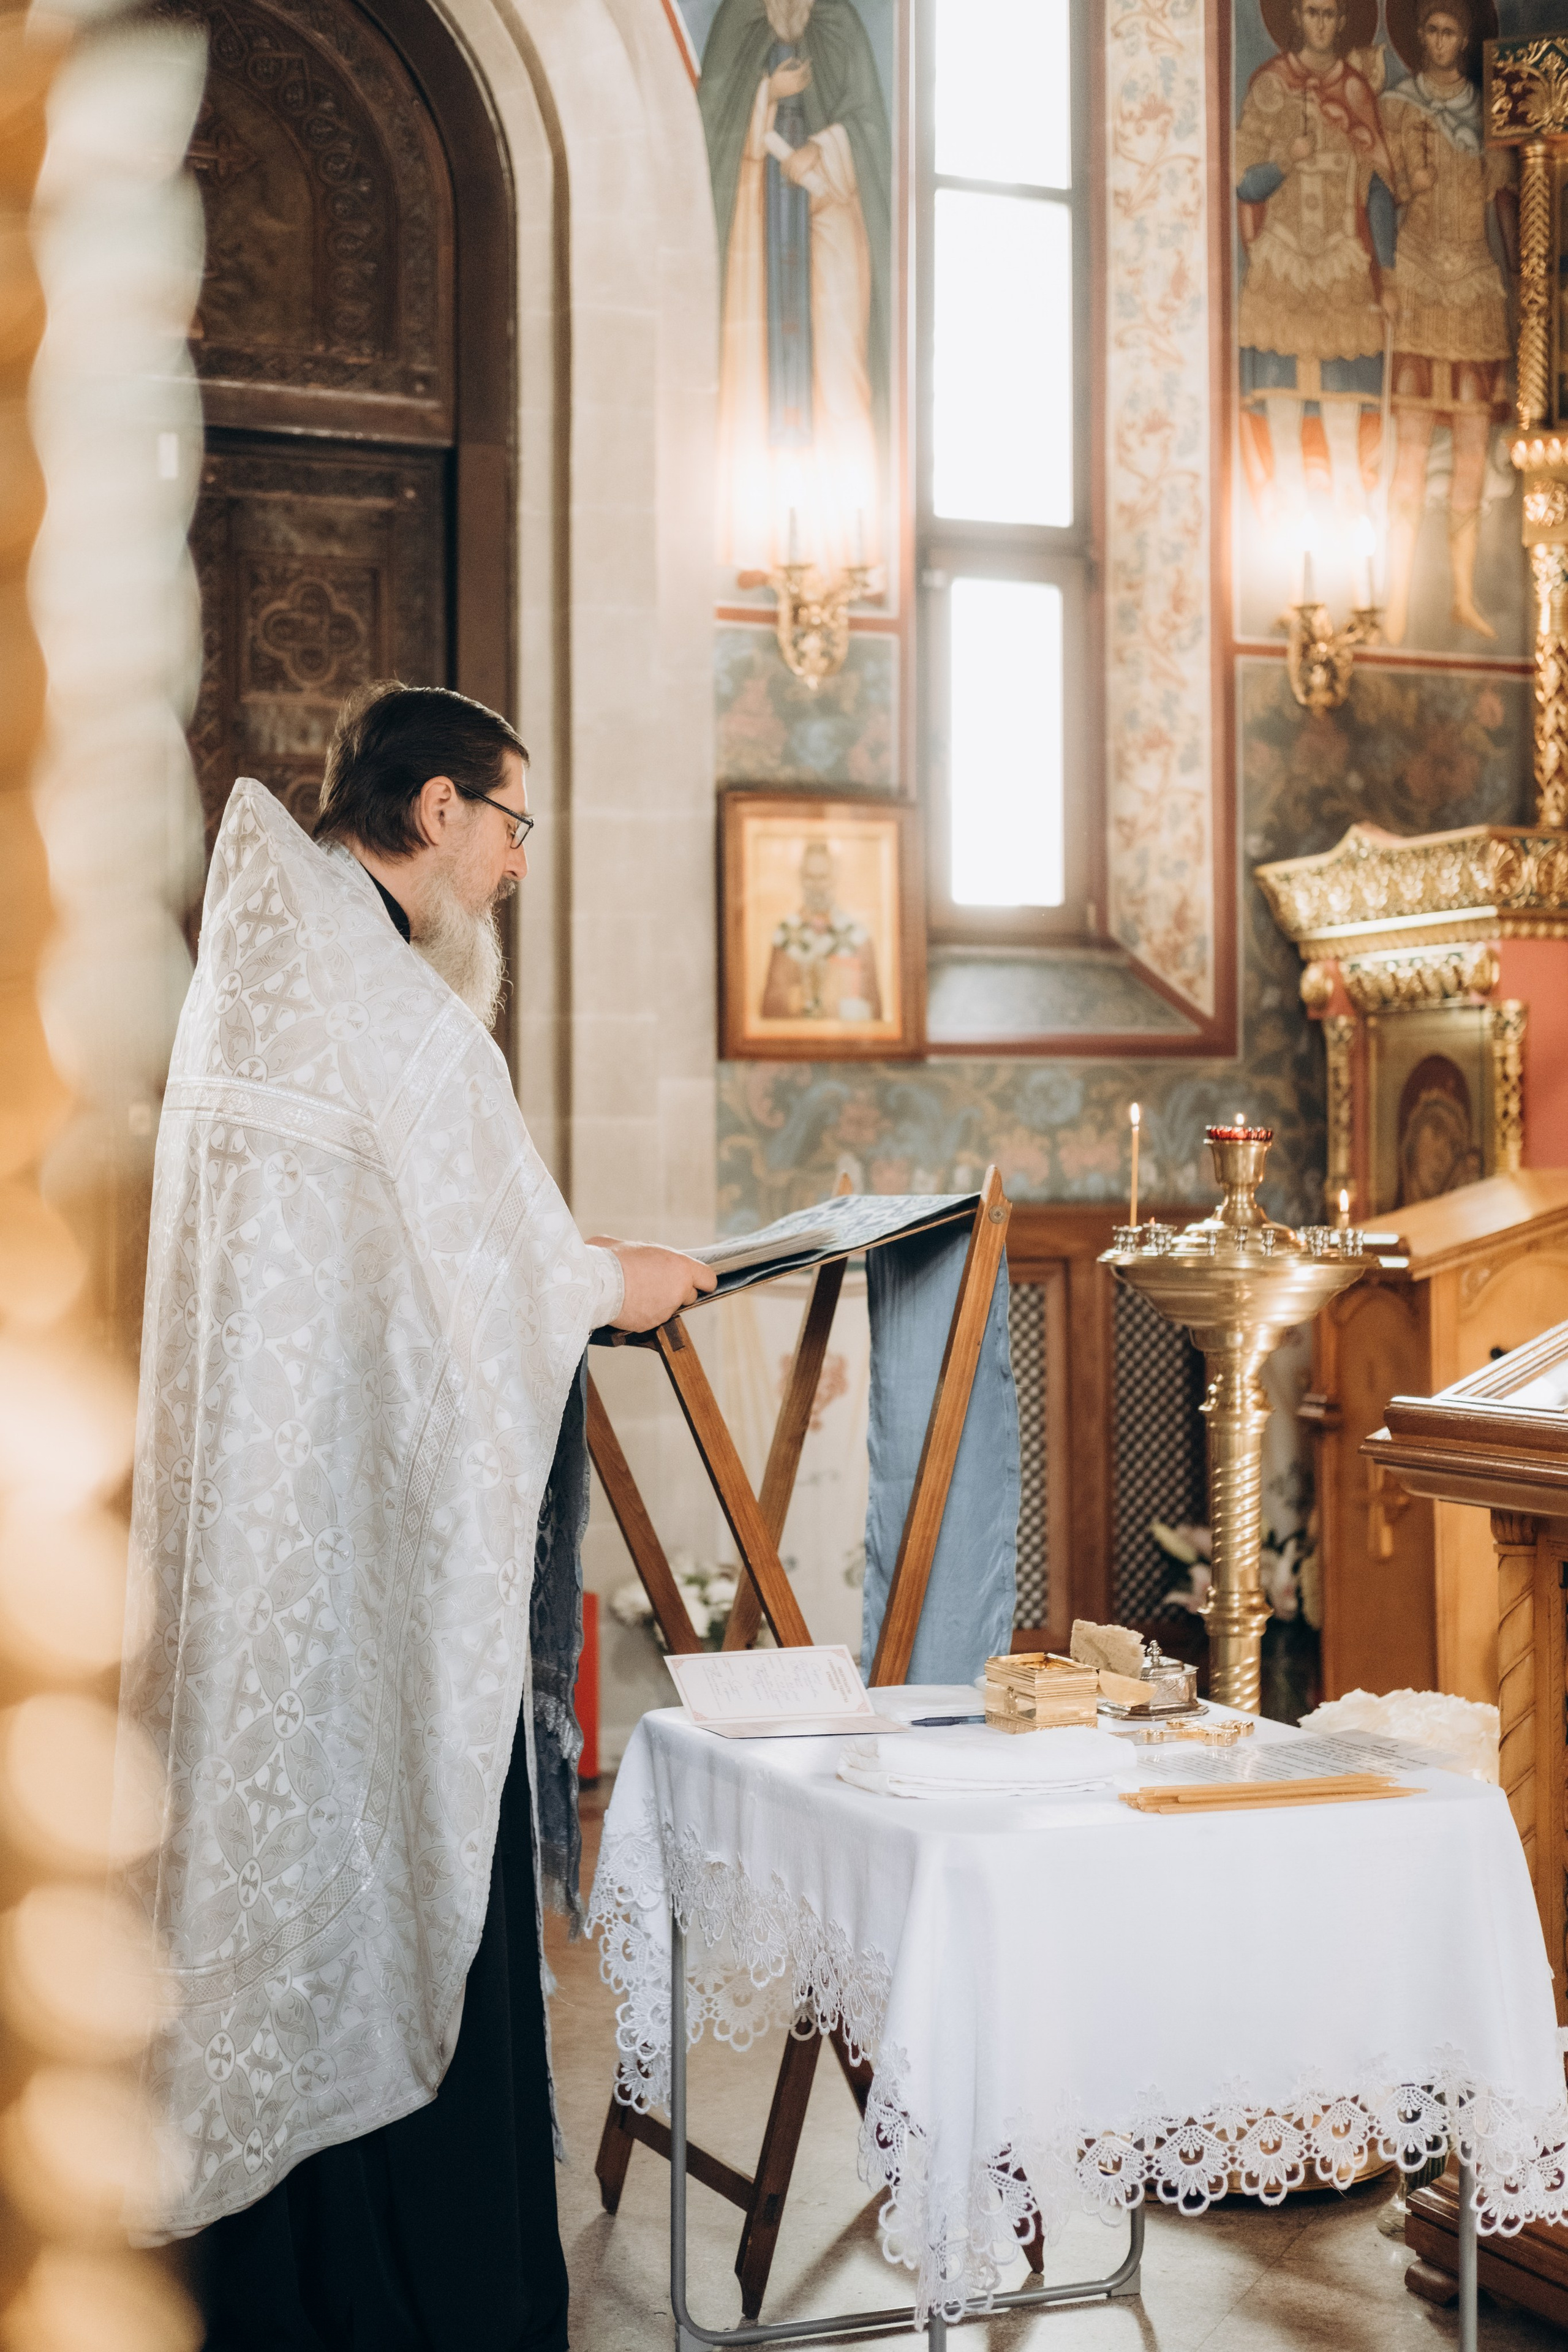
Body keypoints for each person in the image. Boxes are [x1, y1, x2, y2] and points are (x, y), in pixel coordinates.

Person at [120, 680, 714, 2350]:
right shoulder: (385, 1002)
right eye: (514, 824)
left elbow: (418, 1263)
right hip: (363, 1574)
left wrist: (555, 1277)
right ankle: (414, 2298)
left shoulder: (285, 963)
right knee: (394, 1875)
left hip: (289, 1545)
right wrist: (629, 1280)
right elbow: (511, 1276)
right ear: (437, 810)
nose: (520, 864)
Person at [699, 0, 891, 578]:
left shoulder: (840, 24)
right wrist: (767, 93)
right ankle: (750, 544)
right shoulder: (740, 21)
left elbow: (870, 127)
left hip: (828, 219)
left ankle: (849, 547)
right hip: (757, 225)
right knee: (752, 375)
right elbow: (715, 125)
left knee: (838, 373)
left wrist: (826, 149)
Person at [1379, 0, 1517, 642]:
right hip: (1417, 280)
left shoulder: (1491, 115)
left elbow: (1506, 200)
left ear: (1465, 41)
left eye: (1450, 31)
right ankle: (1396, 600)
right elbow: (1380, 195)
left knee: (1469, 448)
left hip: (1473, 287)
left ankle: (1462, 595)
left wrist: (1520, 274)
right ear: (1420, 38)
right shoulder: (1397, 106)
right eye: (1430, 30)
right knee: (1408, 450)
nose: (1439, 41)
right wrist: (1413, 185)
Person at [1235, 0, 1396, 539]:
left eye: (1330, 14)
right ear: (1296, 19)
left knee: (1345, 418)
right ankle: (1286, 537)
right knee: (1281, 416)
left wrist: (1389, 276)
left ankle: (1355, 543)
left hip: (1341, 268)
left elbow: (1378, 190)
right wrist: (1285, 158)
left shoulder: (1356, 92)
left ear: (1342, 21)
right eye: (1311, 13)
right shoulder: (1268, 87)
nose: (1321, 23)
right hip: (1281, 265)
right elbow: (1246, 184)